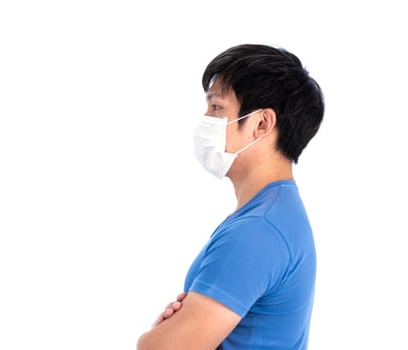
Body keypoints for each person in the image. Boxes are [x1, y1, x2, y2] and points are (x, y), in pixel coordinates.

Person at [137, 43, 324, 350]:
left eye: (216, 108)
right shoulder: (272, 213)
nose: (205, 119)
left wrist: (155, 335)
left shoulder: (257, 230)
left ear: (262, 123)